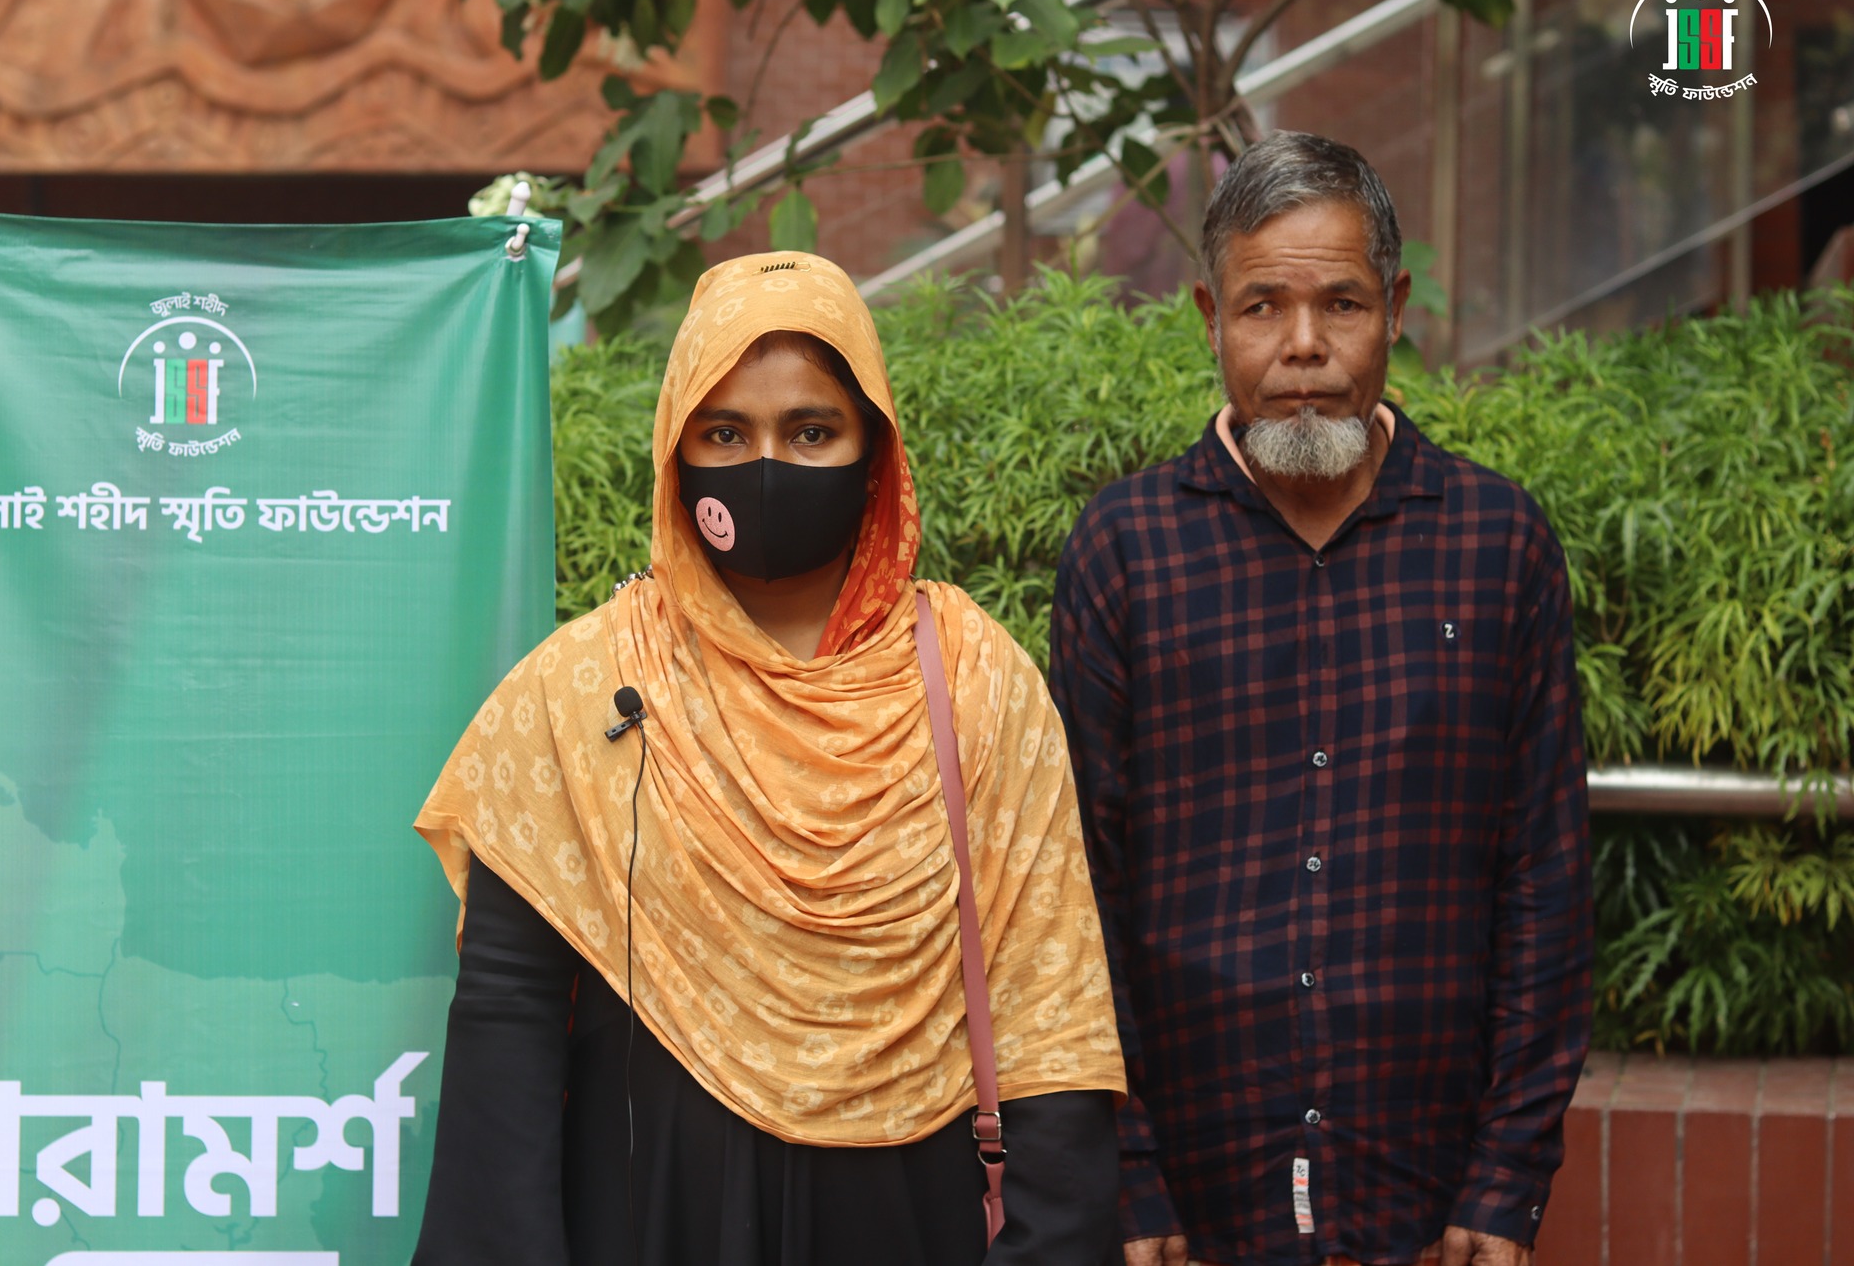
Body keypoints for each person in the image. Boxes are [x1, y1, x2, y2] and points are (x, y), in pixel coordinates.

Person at [412, 251, 1127, 1266]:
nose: (764, 464)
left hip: (911, 1222)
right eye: (724, 433)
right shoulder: (580, 692)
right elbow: (507, 1019)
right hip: (649, 1216)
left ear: (875, 454)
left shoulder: (976, 682)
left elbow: (1045, 1005)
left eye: (810, 431)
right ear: (675, 451)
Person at [1048, 133, 1591, 1266]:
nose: (1303, 345)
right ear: (1209, 317)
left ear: (1394, 309)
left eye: (1341, 303)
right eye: (1262, 307)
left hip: (1425, 1194)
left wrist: (1506, 1178)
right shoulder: (1127, 551)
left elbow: (1543, 883)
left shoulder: (1495, 545)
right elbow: (1075, 894)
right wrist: (1128, 1174)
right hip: (1193, 1193)